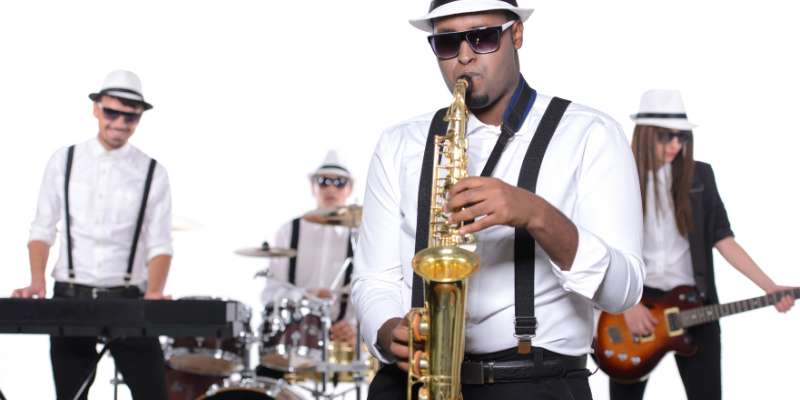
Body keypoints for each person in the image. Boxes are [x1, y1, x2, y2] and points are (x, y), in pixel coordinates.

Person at [350, 1, 646, 399]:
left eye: (482, 37)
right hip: (414, 381)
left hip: (535, 382)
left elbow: (623, 290)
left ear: (516, 34)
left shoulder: (590, 134)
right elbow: (374, 278)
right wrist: (388, 331)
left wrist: (537, 215)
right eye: (447, 43)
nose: (465, 56)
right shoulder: (399, 142)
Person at [608, 90, 795, 400]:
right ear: (645, 134)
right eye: (666, 137)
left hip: (696, 304)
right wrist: (626, 305)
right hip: (639, 304)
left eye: (681, 137)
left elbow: (724, 239)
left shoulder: (701, 176)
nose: (675, 145)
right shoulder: (618, 177)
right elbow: (602, 248)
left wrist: (769, 286)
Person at [11, 70, 172, 400]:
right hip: (71, 296)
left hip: (129, 299)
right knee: (71, 396)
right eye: (112, 112)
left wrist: (155, 292)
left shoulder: (152, 172)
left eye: (130, 116)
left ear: (139, 118)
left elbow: (160, 244)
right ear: (96, 108)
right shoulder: (64, 161)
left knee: (154, 394)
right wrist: (37, 280)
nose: (120, 123)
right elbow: (42, 228)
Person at [258, 150, 358, 376]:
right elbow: (269, 293)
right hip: (292, 340)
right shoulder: (288, 231)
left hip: (342, 344)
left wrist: (354, 326)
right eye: (323, 181)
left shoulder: (359, 237)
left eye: (339, 182)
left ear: (350, 189)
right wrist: (305, 296)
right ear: (313, 186)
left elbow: (370, 291)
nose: (331, 188)